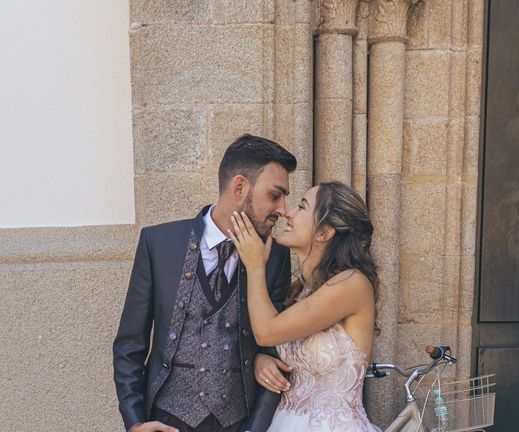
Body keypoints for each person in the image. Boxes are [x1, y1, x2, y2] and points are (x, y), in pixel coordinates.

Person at [113, 134, 296, 432]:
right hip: (165, 422)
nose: (283, 209)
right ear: (239, 187)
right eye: (275, 195)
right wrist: (135, 423)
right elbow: (129, 345)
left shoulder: (275, 257)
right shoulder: (158, 244)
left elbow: (275, 356)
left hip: (239, 422)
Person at [228, 181, 381, 431]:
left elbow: (267, 331)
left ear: (324, 233)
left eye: (301, 207)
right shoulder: (303, 291)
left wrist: (255, 266)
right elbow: (273, 338)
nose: (287, 213)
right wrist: (260, 361)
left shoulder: (352, 283)